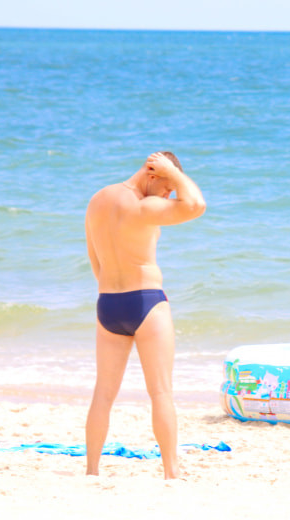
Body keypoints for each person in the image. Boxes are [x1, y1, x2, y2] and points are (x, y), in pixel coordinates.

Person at [84, 152, 206, 479]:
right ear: (152, 174)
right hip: (146, 301)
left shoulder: (98, 199)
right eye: (166, 188)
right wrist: (175, 174)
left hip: (108, 304)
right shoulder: (144, 206)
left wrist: (112, 291)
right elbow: (196, 205)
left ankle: (92, 470)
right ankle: (171, 472)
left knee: (103, 394)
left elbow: (95, 259)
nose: (168, 196)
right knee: (161, 392)